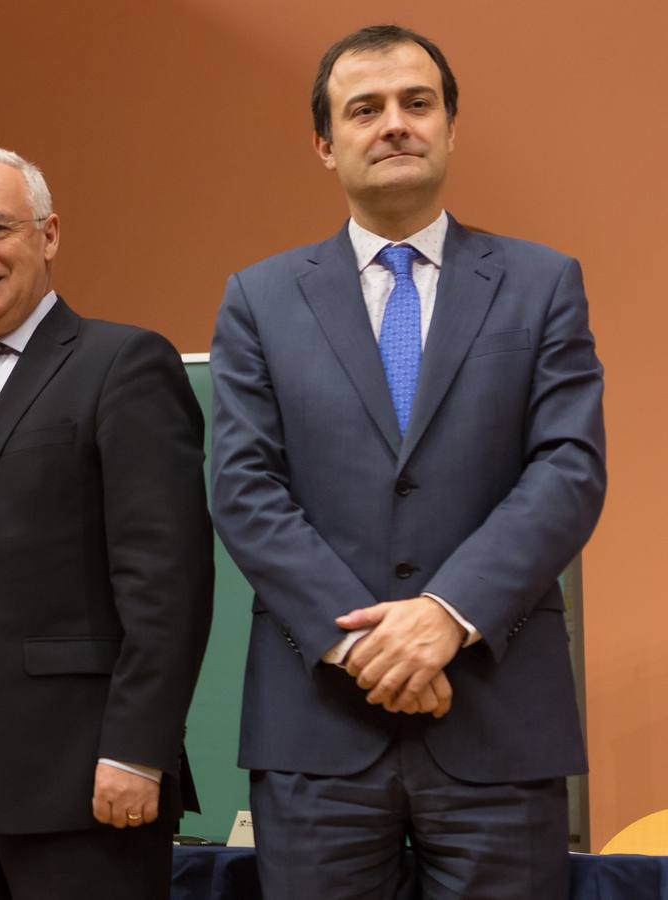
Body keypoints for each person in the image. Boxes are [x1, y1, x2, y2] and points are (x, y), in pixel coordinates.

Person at [210, 24, 606, 899]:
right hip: (316, 730)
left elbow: (567, 469)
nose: (393, 124)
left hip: (499, 723)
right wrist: (372, 650)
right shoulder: (259, 300)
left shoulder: (542, 284)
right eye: (365, 109)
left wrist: (446, 614)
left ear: (450, 126)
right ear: (325, 143)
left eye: (415, 104)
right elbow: (244, 491)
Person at [0, 146, 212, 899]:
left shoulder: (122, 364)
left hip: (82, 784)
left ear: (48, 235)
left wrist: (137, 749)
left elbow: (166, 581)